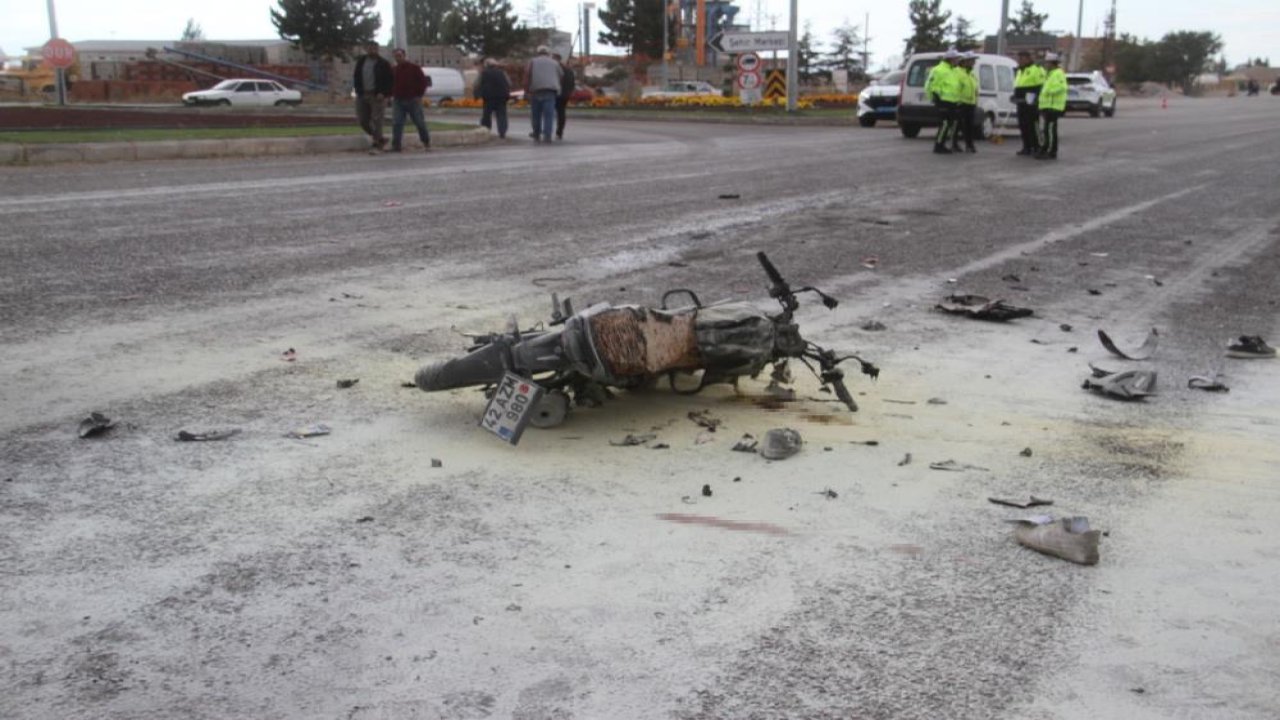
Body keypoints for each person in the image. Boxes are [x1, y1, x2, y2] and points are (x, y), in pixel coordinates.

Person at [352, 41, 393, 154]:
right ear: (366, 49)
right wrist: (358, 91)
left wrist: (383, 93)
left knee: (377, 120)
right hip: (362, 94)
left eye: (374, 49)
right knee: (362, 120)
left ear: (377, 49)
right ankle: (380, 138)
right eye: (370, 48)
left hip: (377, 96)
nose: (372, 51)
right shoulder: (361, 62)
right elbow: (356, 77)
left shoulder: (383, 63)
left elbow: (390, 81)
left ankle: (376, 144)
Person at [389, 48, 431, 153]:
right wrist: (391, 95)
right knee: (397, 123)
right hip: (398, 100)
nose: (398, 58)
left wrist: (418, 95)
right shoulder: (394, 70)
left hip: (413, 100)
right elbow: (390, 84)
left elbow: (423, 82)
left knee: (419, 122)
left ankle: (426, 142)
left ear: (404, 56)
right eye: (396, 56)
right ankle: (396, 145)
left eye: (400, 56)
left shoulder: (414, 68)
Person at [924, 49, 961, 154]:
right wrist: (936, 99)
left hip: (952, 102)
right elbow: (930, 85)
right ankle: (938, 146)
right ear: (951, 59)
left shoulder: (953, 70)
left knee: (949, 124)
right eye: (956, 58)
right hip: (943, 102)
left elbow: (954, 87)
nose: (958, 60)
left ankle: (943, 144)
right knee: (944, 124)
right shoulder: (938, 70)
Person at [524, 45, 563, 143]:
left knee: (536, 114)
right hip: (550, 90)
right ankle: (547, 135)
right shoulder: (555, 63)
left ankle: (536, 133)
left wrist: (526, 90)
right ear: (548, 53)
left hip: (536, 90)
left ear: (538, 53)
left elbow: (527, 75)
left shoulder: (532, 62)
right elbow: (561, 75)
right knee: (548, 115)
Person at [1012, 50, 1046, 156]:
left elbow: (1041, 85)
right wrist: (1015, 96)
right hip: (1021, 102)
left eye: (1022, 58)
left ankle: (1037, 147)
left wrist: (1036, 97)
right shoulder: (1020, 71)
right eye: (1019, 59)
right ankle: (1026, 147)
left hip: (1031, 102)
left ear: (1028, 58)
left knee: (1033, 125)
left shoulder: (1036, 69)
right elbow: (1018, 85)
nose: (1020, 61)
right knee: (1023, 125)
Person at [1037, 53, 1068, 160]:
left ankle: (1051, 151)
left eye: (1047, 62)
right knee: (1046, 130)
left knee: (1050, 130)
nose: (1046, 64)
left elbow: (1062, 87)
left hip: (1054, 106)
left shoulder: (1058, 73)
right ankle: (1046, 148)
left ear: (1052, 63)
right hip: (1047, 106)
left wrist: (1049, 91)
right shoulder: (1049, 74)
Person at [475, 58, 511, 139]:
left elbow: (476, 84)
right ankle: (502, 132)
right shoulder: (502, 72)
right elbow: (509, 83)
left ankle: (486, 130)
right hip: (501, 97)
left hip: (489, 97)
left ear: (486, 65)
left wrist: (478, 93)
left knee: (487, 115)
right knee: (501, 115)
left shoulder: (483, 73)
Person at [952, 52, 978, 153]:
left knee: (969, 126)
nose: (974, 62)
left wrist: (976, 101)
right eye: (972, 60)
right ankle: (954, 144)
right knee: (958, 125)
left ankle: (969, 145)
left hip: (971, 103)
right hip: (960, 103)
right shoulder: (957, 72)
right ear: (965, 61)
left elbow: (975, 88)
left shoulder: (971, 74)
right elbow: (954, 87)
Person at [552, 53, 577, 141]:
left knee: (549, 112)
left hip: (556, 93)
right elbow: (572, 82)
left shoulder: (555, 69)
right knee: (561, 113)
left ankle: (547, 131)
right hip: (565, 94)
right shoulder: (568, 70)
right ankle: (559, 132)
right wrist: (570, 92)